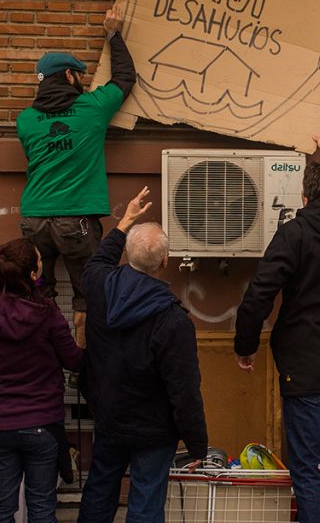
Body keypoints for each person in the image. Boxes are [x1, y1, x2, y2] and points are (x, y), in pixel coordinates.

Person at [233, 127, 320, 523]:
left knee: (306, 467)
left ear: (305, 198)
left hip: (304, 372)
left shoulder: (296, 233)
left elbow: (259, 293)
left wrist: (245, 346)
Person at [77, 187, 208, 523]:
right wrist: (197, 444)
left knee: (99, 491)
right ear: (165, 262)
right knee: (146, 504)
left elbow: (99, 259)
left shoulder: (98, 285)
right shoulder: (174, 320)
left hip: (108, 417)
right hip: (153, 431)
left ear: (128, 256)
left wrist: (124, 222)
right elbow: (184, 389)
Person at [17, 3, 136, 349]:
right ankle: (80, 362)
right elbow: (125, 79)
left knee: (39, 290)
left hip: (33, 221)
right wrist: (113, 33)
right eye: (78, 75)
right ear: (69, 77)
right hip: (76, 223)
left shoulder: (25, 120)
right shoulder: (92, 108)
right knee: (88, 293)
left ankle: (45, 358)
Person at [0, 238, 83, 523]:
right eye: (40, 261)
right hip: (42, 423)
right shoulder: (46, 312)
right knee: (41, 508)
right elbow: (73, 360)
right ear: (32, 274)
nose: (43, 264)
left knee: (0, 509)